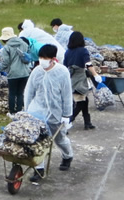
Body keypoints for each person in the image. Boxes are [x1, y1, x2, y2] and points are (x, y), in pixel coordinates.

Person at [24, 44, 73, 182]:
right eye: (40, 57)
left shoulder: (62, 72)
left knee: (59, 139)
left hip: (55, 113)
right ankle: (39, 169)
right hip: (38, 111)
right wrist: (27, 111)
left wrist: (67, 115)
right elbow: (29, 92)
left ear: (53, 59)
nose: (42, 61)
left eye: (45, 58)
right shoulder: (37, 71)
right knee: (38, 141)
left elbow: (67, 94)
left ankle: (67, 156)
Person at [63, 31, 102, 130]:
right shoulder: (83, 51)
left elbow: (64, 66)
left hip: (71, 77)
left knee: (84, 100)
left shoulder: (67, 52)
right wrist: (95, 74)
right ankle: (69, 121)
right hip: (80, 78)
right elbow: (88, 64)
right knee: (80, 102)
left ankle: (87, 122)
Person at [0, 27, 31, 116]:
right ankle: (19, 111)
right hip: (25, 73)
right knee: (20, 93)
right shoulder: (24, 44)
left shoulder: (7, 47)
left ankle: (12, 112)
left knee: (12, 93)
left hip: (13, 74)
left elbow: (6, 62)